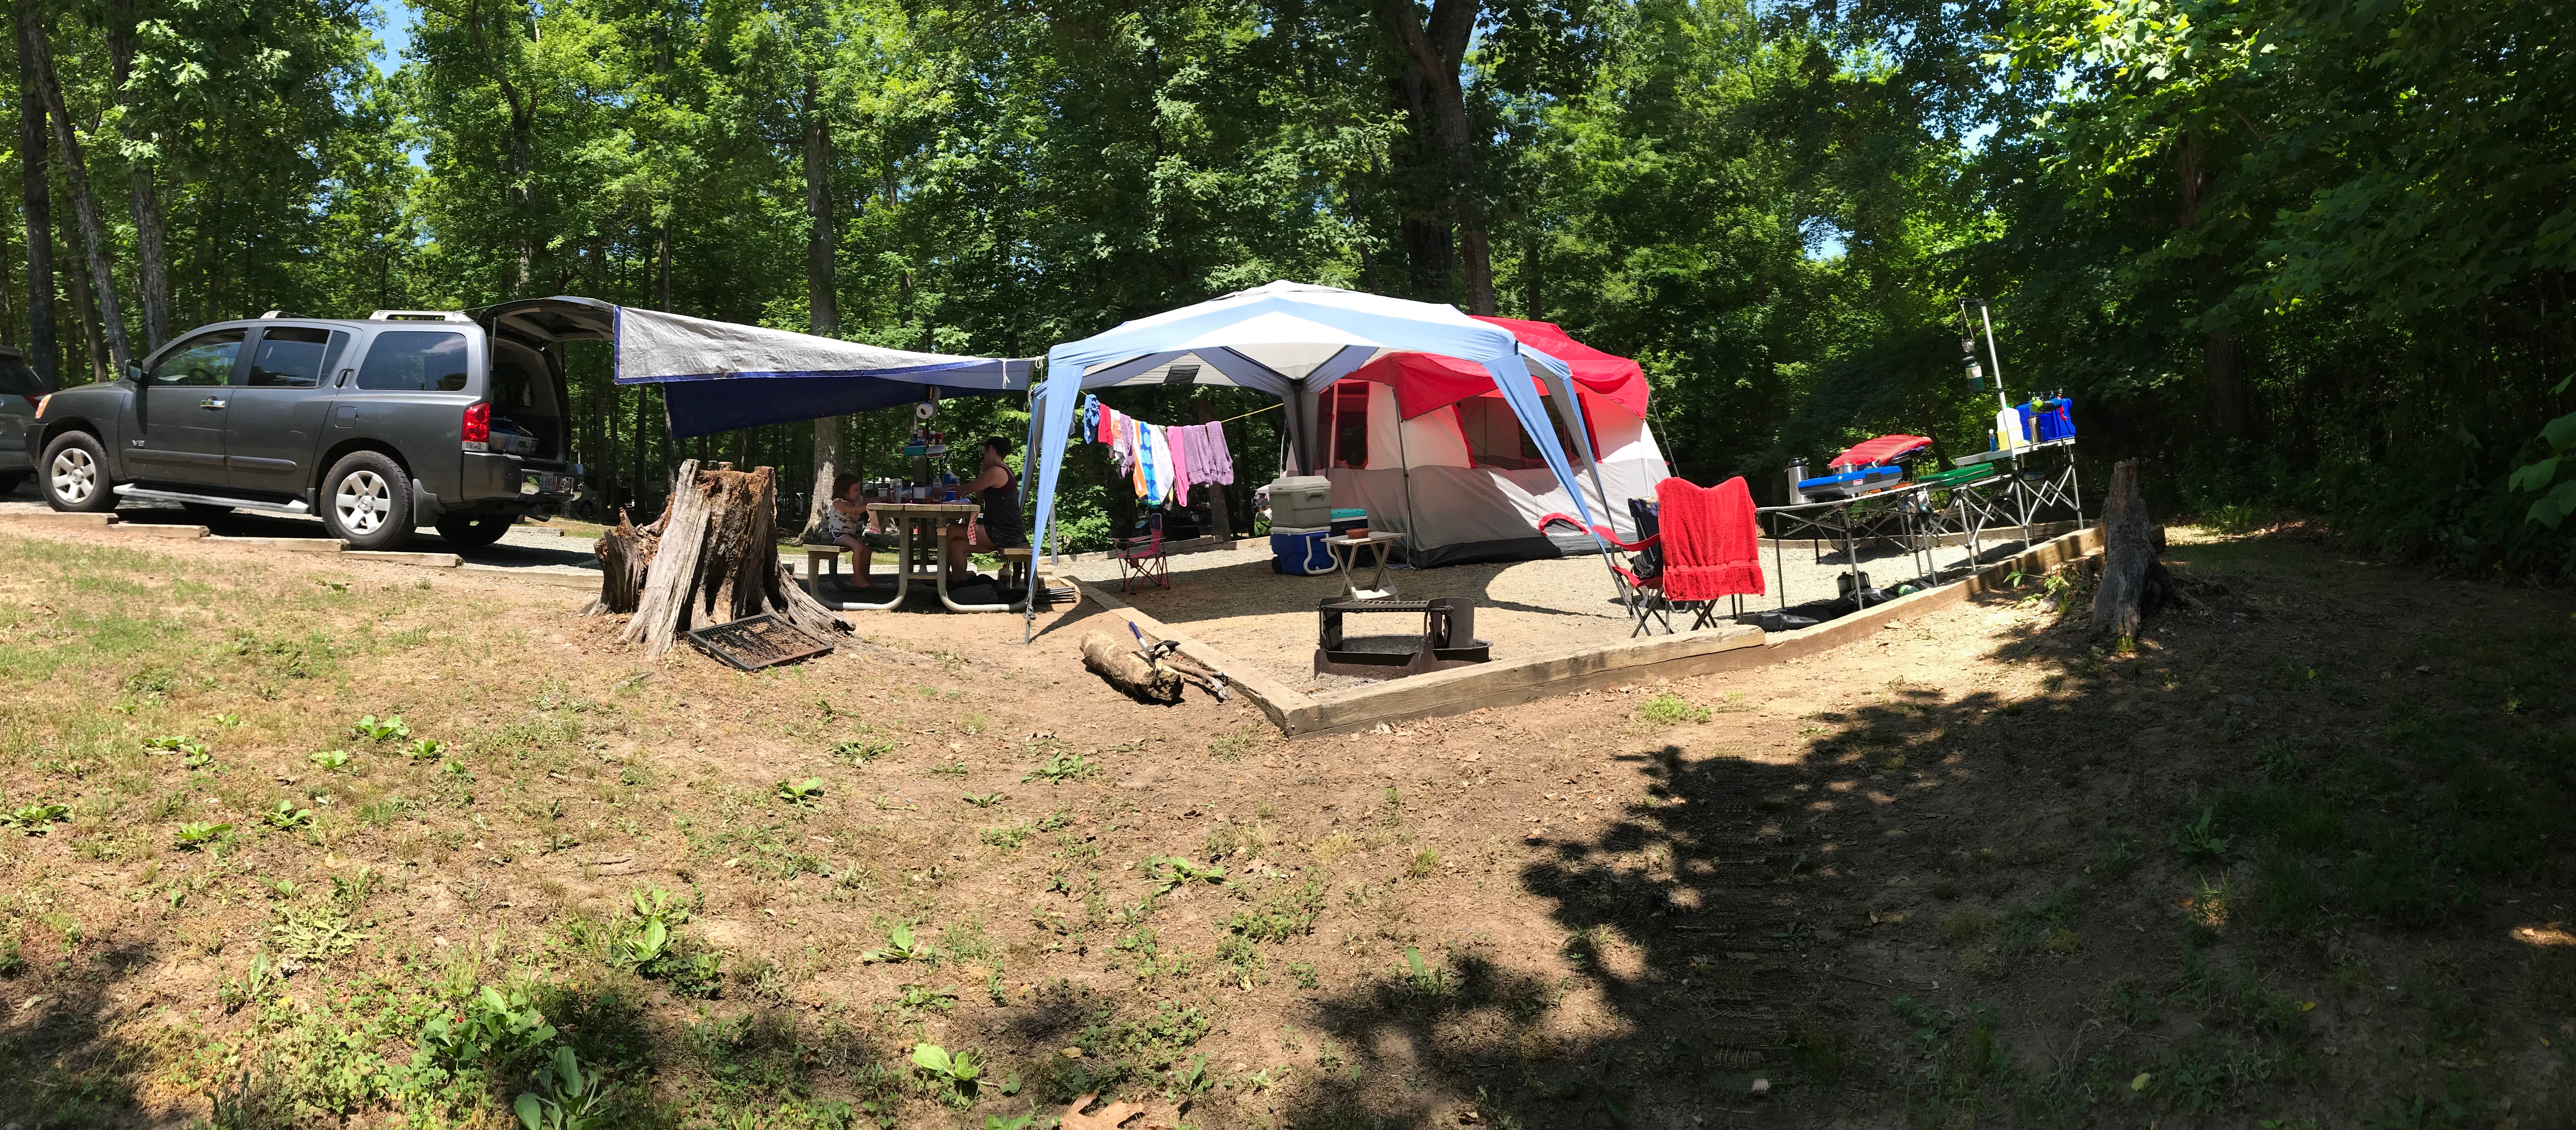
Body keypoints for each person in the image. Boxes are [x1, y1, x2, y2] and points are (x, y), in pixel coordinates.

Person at [945, 436, 1027, 580]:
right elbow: (980, 495)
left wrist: (943, 492)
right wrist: (983, 471)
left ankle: (943, 575)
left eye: (984, 453)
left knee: (952, 529)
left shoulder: (998, 471)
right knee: (957, 545)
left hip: (1005, 533)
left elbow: (969, 489)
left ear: (990, 449)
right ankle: (959, 587)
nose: (984, 456)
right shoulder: (996, 471)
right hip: (997, 530)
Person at [825, 474, 895, 588]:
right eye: (856, 489)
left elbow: (870, 500)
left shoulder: (858, 500)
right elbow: (852, 510)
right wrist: (868, 507)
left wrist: (885, 499)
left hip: (849, 535)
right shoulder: (839, 502)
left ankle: (866, 579)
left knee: (867, 551)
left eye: (859, 489)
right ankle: (856, 576)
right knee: (858, 548)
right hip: (837, 535)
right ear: (844, 491)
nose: (859, 492)